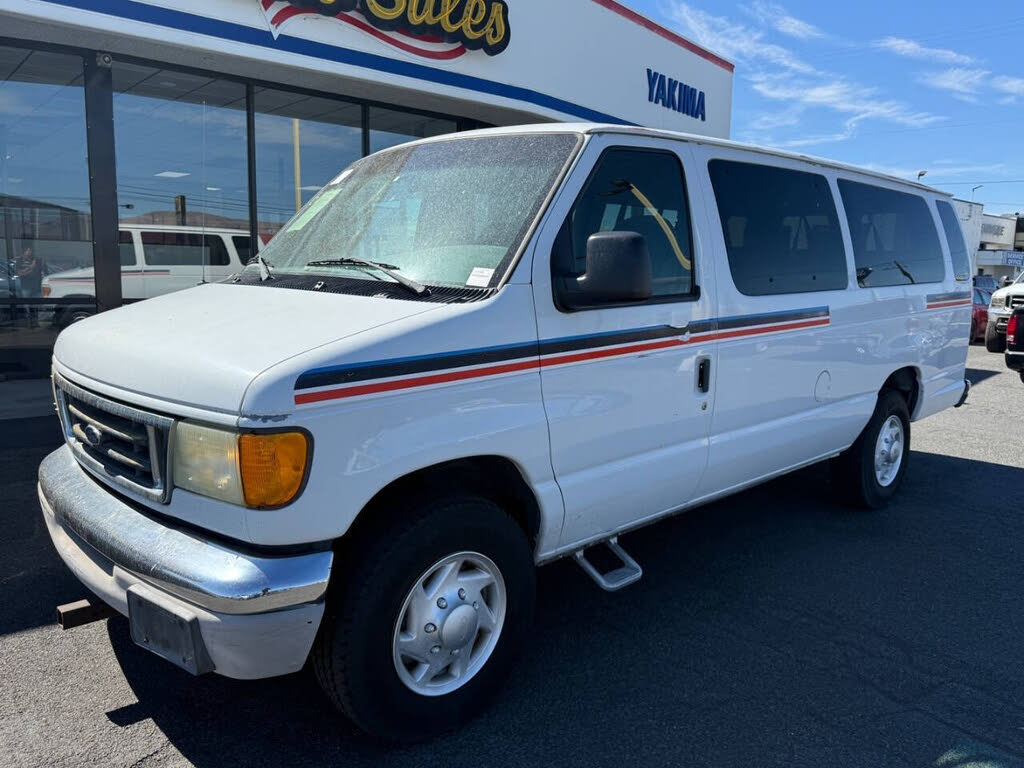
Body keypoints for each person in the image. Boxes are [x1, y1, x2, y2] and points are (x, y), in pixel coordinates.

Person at [15, 246, 43, 327]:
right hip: (26, 287)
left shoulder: (36, 260)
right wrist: (31, 267)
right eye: (28, 251)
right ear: (24, 252)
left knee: (36, 305)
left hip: (36, 286)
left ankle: (36, 322)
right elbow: (19, 273)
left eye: (30, 251)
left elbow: (40, 272)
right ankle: (29, 323)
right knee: (27, 306)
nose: (29, 252)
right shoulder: (19, 260)